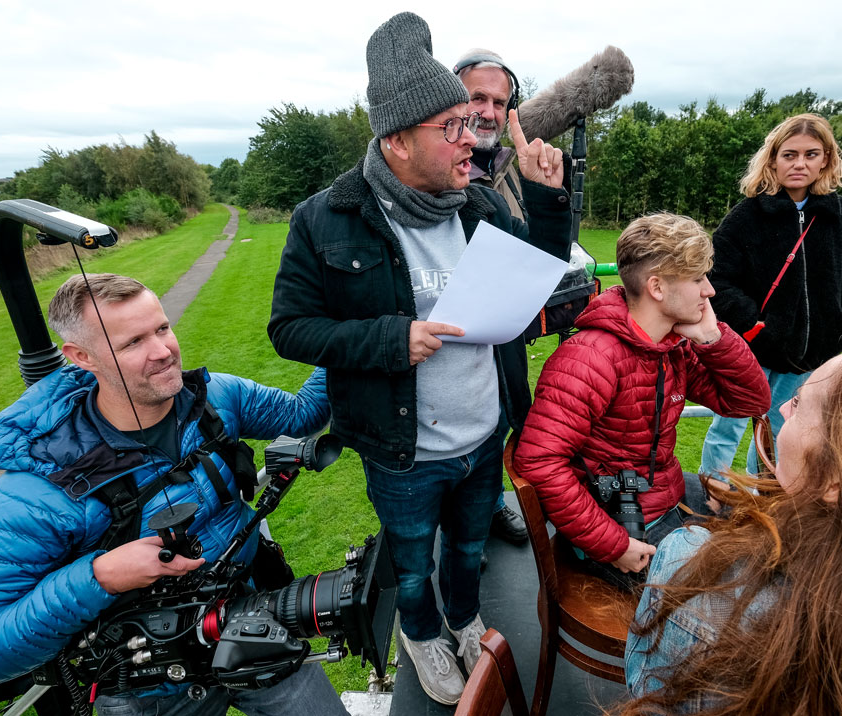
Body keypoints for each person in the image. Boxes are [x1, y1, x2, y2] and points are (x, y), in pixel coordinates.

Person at [268, 12, 570, 706]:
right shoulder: (327, 217)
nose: (474, 139)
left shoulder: (478, 208)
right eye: (455, 127)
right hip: (402, 451)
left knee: (467, 552)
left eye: (474, 121)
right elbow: (291, 329)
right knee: (411, 567)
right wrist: (388, 339)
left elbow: (535, 275)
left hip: (482, 435)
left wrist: (549, 197)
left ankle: (462, 622)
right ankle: (421, 632)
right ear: (399, 140)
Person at [0, 273, 347, 716]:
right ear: (81, 357)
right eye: (132, 342)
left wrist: (348, 336)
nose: (163, 352)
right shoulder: (38, 495)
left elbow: (302, 413)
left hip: (252, 624)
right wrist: (99, 577)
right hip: (147, 686)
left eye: (162, 328)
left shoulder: (214, 398)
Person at [623, 330, 842, 715]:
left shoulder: (690, 561)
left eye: (798, 404)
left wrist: (714, 335)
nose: (782, 411)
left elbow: (645, 690)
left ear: (835, 482)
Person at [513, 213, 770, 588]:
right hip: (621, 526)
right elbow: (538, 461)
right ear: (657, 288)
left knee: (769, 544)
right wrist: (613, 545)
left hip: (665, 496)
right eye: (697, 278)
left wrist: (714, 338)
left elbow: (748, 400)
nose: (709, 291)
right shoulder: (591, 358)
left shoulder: (671, 346)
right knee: (741, 598)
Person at [699, 113, 842, 479]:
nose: (799, 163)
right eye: (790, 154)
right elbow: (718, 280)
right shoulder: (747, 215)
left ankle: (766, 499)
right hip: (753, 349)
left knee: (783, 429)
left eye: (811, 154)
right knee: (728, 428)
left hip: (809, 351)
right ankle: (711, 496)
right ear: (773, 158)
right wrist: (756, 327)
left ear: (826, 158)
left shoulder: (838, 213)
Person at [454, 47, 530, 548]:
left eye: (499, 102)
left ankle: (490, 506)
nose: (488, 111)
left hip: (503, 335)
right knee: (450, 442)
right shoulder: (439, 169)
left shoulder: (510, 164)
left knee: (504, 421)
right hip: (448, 337)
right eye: (476, 97)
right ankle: (461, 534)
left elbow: (530, 247)